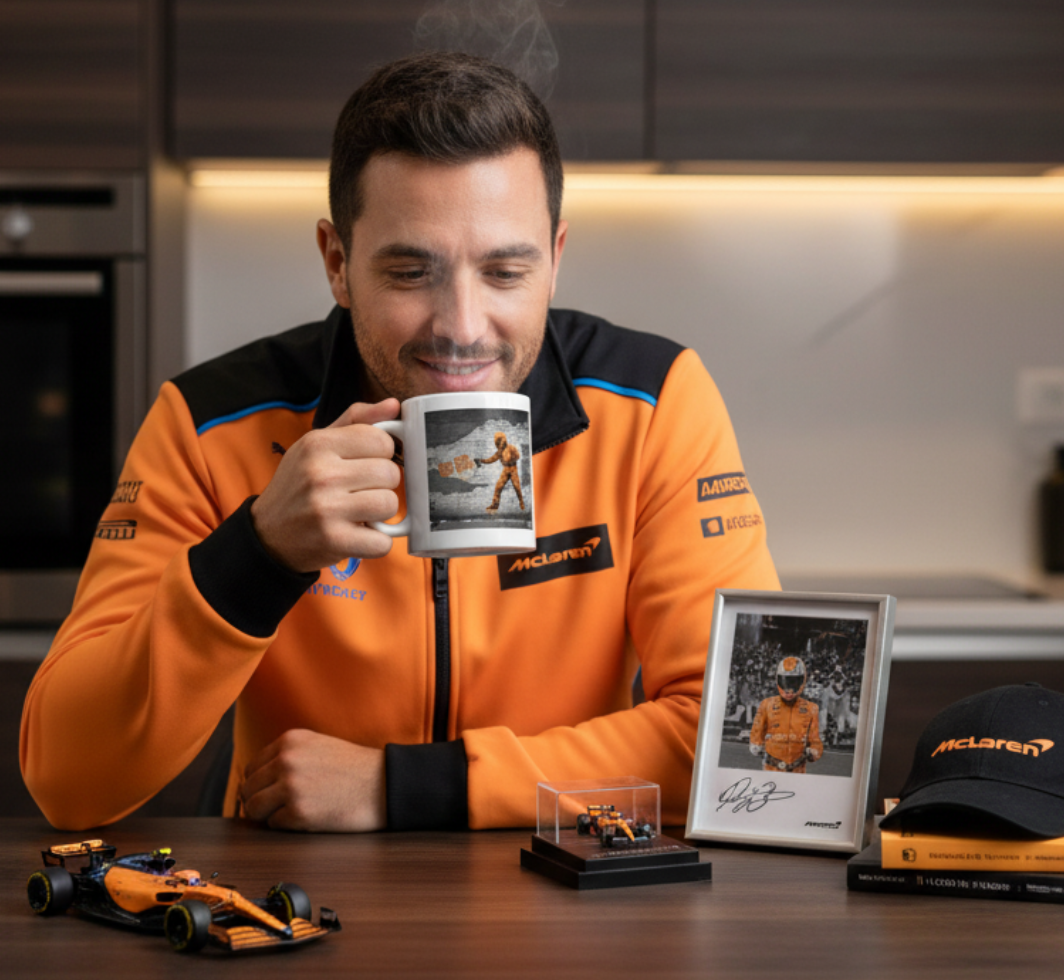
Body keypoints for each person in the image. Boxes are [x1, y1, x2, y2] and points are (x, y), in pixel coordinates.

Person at [20, 52, 779, 833]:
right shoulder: (210, 423)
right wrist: (256, 555)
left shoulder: (655, 404)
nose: (461, 327)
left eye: (504, 272)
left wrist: (410, 786)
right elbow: (70, 780)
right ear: (338, 263)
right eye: (412, 272)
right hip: (292, 909)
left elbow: (743, 745)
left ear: (554, 261)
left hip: (563, 899)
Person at [749, 656, 823, 774]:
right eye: (785, 681)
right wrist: (755, 744)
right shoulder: (766, 704)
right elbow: (757, 731)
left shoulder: (811, 709)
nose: (789, 688)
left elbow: (815, 740)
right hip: (771, 766)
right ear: (778, 680)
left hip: (798, 768)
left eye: (793, 682)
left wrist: (814, 751)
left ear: (802, 681)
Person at [476, 432, 525, 512]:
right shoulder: (499, 452)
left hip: (513, 469)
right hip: (505, 470)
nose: (500, 444)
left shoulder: (511, 447)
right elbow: (491, 459)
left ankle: (521, 502)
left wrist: (511, 457)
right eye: (498, 442)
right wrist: (481, 460)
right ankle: (495, 505)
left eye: (500, 441)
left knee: (517, 487)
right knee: (498, 487)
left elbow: (518, 456)